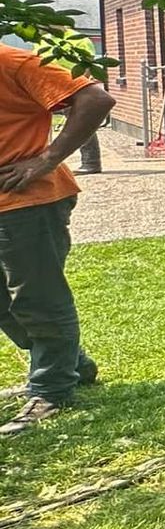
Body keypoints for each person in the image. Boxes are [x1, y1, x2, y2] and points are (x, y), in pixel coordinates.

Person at [0, 45, 115, 436]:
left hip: (26, 202)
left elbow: (95, 98)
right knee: (4, 303)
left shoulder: (12, 62)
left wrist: (46, 159)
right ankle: (71, 365)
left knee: (37, 297)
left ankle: (50, 389)